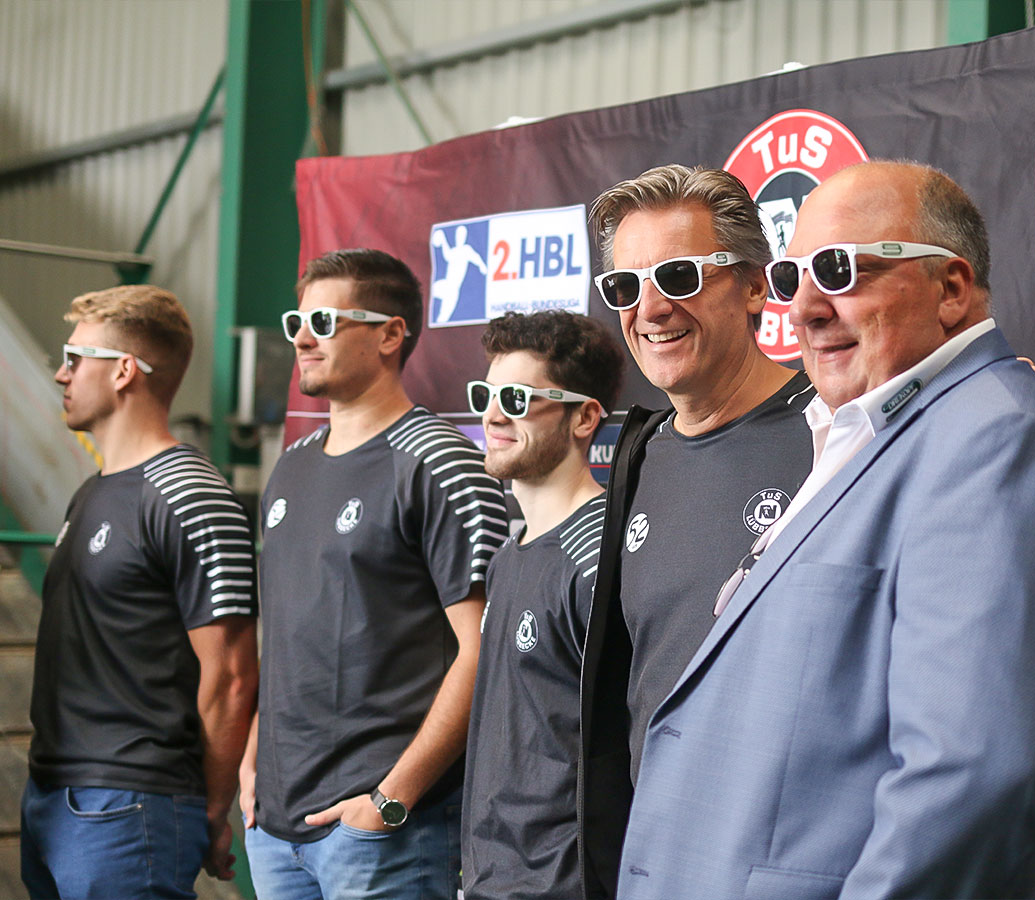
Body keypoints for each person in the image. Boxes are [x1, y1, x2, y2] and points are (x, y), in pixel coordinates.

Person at [619, 161, 1035, 899]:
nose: (807, 308)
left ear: (951, 289)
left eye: (840, 271)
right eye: (795, 278)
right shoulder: (865, 434)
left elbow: (965, 782)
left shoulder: (1002, 443)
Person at [578, 164, 815, 898]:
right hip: (654, 865)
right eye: (624, 287)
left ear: (753, 285)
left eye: (679, 277)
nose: (649, 309)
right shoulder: (640, 452)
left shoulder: (839, 431)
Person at [241, 249, 507, 899]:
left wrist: (391, 800)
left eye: (326, 322)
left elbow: (484, 650)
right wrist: (252, 765)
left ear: (390, 334)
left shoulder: (440, 463)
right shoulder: (293, 464)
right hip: (275, 828)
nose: (302, 338)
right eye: (298, 322)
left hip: (381, 833)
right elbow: (283, 636)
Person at [21, 285, 259, 898]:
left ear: (125, 371)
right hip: (54, 795)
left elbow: (232, 674)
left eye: (76, 358)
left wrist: (209, 808)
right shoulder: (94, 491)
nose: (59, 373)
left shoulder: (189, 494)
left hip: (130, 805)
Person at [460, 311, 624, 900]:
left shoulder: (601, 552)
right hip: (489, 878)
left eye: (516, 397)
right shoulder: (510, 553)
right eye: (487, 394)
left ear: (584, 417)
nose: (493, 414)